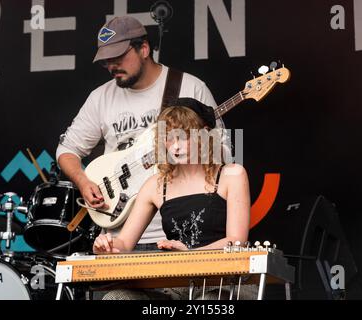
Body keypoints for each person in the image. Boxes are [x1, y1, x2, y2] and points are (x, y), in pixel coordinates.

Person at [56, 16, 226, 250]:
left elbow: (221, 152)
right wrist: (83, 182)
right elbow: (67, 150)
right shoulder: (101, 97)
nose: (111, 66)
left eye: (118, 57)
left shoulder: (189, 87)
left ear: (144, 49)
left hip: (178, 234)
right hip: (119, 234)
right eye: (106, 61)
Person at [93, 98, 250, 300]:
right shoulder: (155, 185)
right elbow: (123, 243)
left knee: (207, 302)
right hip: (178, 285)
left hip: (226, 281)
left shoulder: (232, 174)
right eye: (168, 138)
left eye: (183, 137)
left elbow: (237, 241)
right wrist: (107, 247)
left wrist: (192, 254)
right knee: (117, 298)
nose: (175, 146)